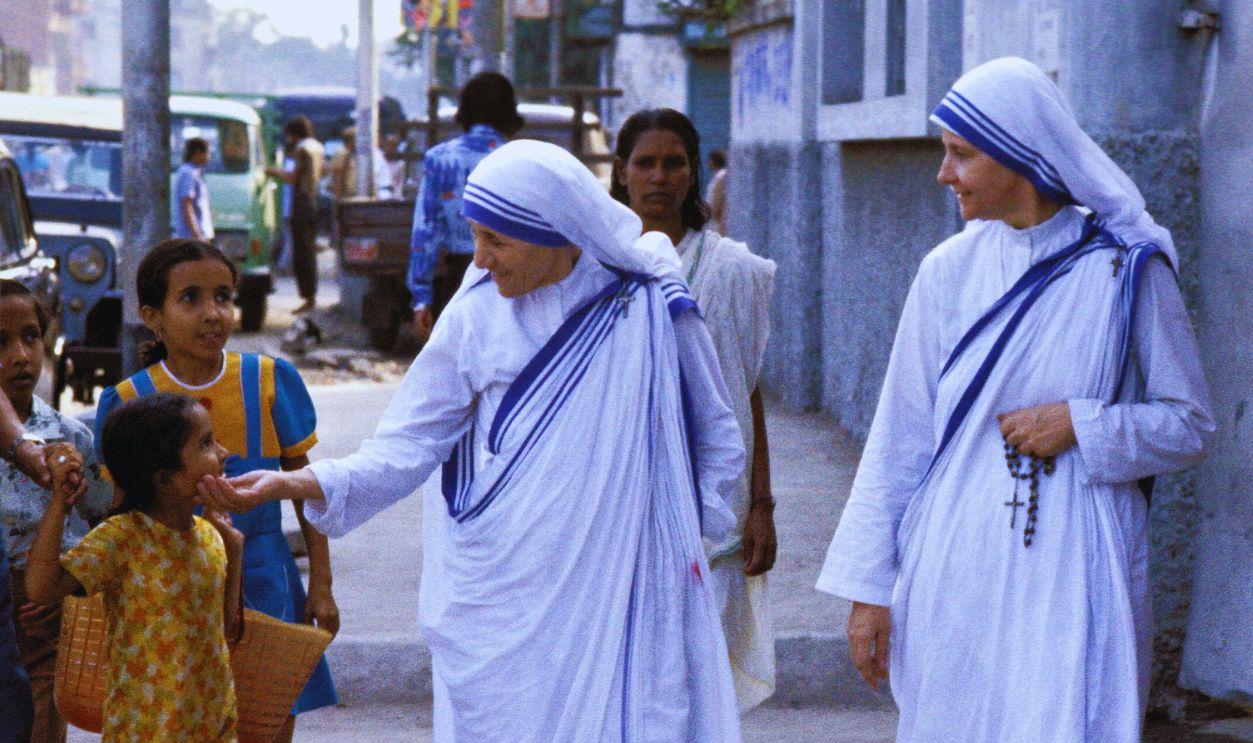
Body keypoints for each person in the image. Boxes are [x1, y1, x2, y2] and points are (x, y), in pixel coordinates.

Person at [197, 139, 746, 742]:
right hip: (500, 588)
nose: (479, 261)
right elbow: (406, 446)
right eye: (475, 237)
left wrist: (676, 540)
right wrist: (291, 481)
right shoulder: (475, 316)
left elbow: (716, 433)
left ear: (557, 231)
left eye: (497, 241)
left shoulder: (644, 304)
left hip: (624, 586)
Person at [816, 57, 1215, 742]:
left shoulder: (1125, 269)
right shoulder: (945, 272)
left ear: (1019, 155)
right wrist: (869, 591)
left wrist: (1082, 424)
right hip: (953, 559)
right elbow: (898, 435)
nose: (944, 173)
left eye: (960, 154)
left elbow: (1190, 424)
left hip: (1075, 563)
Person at [93, 239, 338, 742]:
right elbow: (118, 511)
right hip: (163, 598)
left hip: (266, 578)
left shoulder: (268, 379)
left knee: (268, 721)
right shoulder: (127, 401)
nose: (212, 313)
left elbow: (305, 489)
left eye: (223, 296)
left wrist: (322, 584)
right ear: (151, 316)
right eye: (190, 299)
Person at [612, 109, 778, 710]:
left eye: (673, 162)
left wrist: (760, 505)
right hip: (617, 505)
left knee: (702, 682)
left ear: (691, 173)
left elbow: (745, 386)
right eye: (645, 163)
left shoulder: (732, 270)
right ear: (621, 172)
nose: (659, 176)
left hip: (713, 507)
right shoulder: (594, 264)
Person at [26, 393, 244, 742]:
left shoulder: (209, 536)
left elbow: (224, 628)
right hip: (144, 730)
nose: (223, 452)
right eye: (206, 443)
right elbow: (40, 588)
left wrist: (234, 548)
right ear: (164, 478)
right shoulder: (122, 537)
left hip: (212, 725)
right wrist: (58, 503)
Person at [1, 280, 112, 743]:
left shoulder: (71, 438)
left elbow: (104, 522)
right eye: (0, 343)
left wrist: (72, 589)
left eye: (31, 336)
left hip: (47, 601)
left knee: (44, 703)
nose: (21, 355)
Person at [407, 71, 523, 341]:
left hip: (459, 278)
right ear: (509, 113)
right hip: (512, 281)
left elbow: (425, 233)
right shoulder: (517, 159)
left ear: (465, 111)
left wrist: (422, 298)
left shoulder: (439, 159)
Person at [266, 117, 324, 314]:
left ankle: (308, 297)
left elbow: (293, 177)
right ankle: (311, 296)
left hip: (300, 202)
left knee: (302, 254)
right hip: (312, 201)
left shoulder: (302, 149)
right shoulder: (317, 147)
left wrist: (271, 171)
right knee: (309, 252)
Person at [172, 137, 214, 242]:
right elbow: (187, 205)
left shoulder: (196, 171)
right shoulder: (188, 173)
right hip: (191, 237)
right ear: (198, 152)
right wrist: (197, 235)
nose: (209, 156)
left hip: (199, 234)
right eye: (208, 153)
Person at [705, 149, 728, 235]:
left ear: (713, 161)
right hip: (712, 220)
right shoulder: (719, 176)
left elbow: (717, 201)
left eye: (709, 160)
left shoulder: (721, 176)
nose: (708, 163)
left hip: (716, 222)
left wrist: (715, 215)